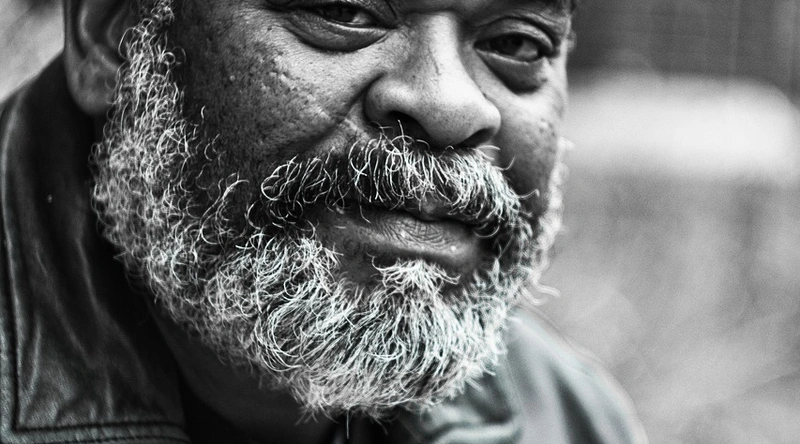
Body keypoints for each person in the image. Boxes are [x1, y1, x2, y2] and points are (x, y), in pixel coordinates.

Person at [0, 0, 647, 442]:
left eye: (515, 43)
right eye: (343, 12)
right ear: (111, 32)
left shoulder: (573, 422)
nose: (451, 107)